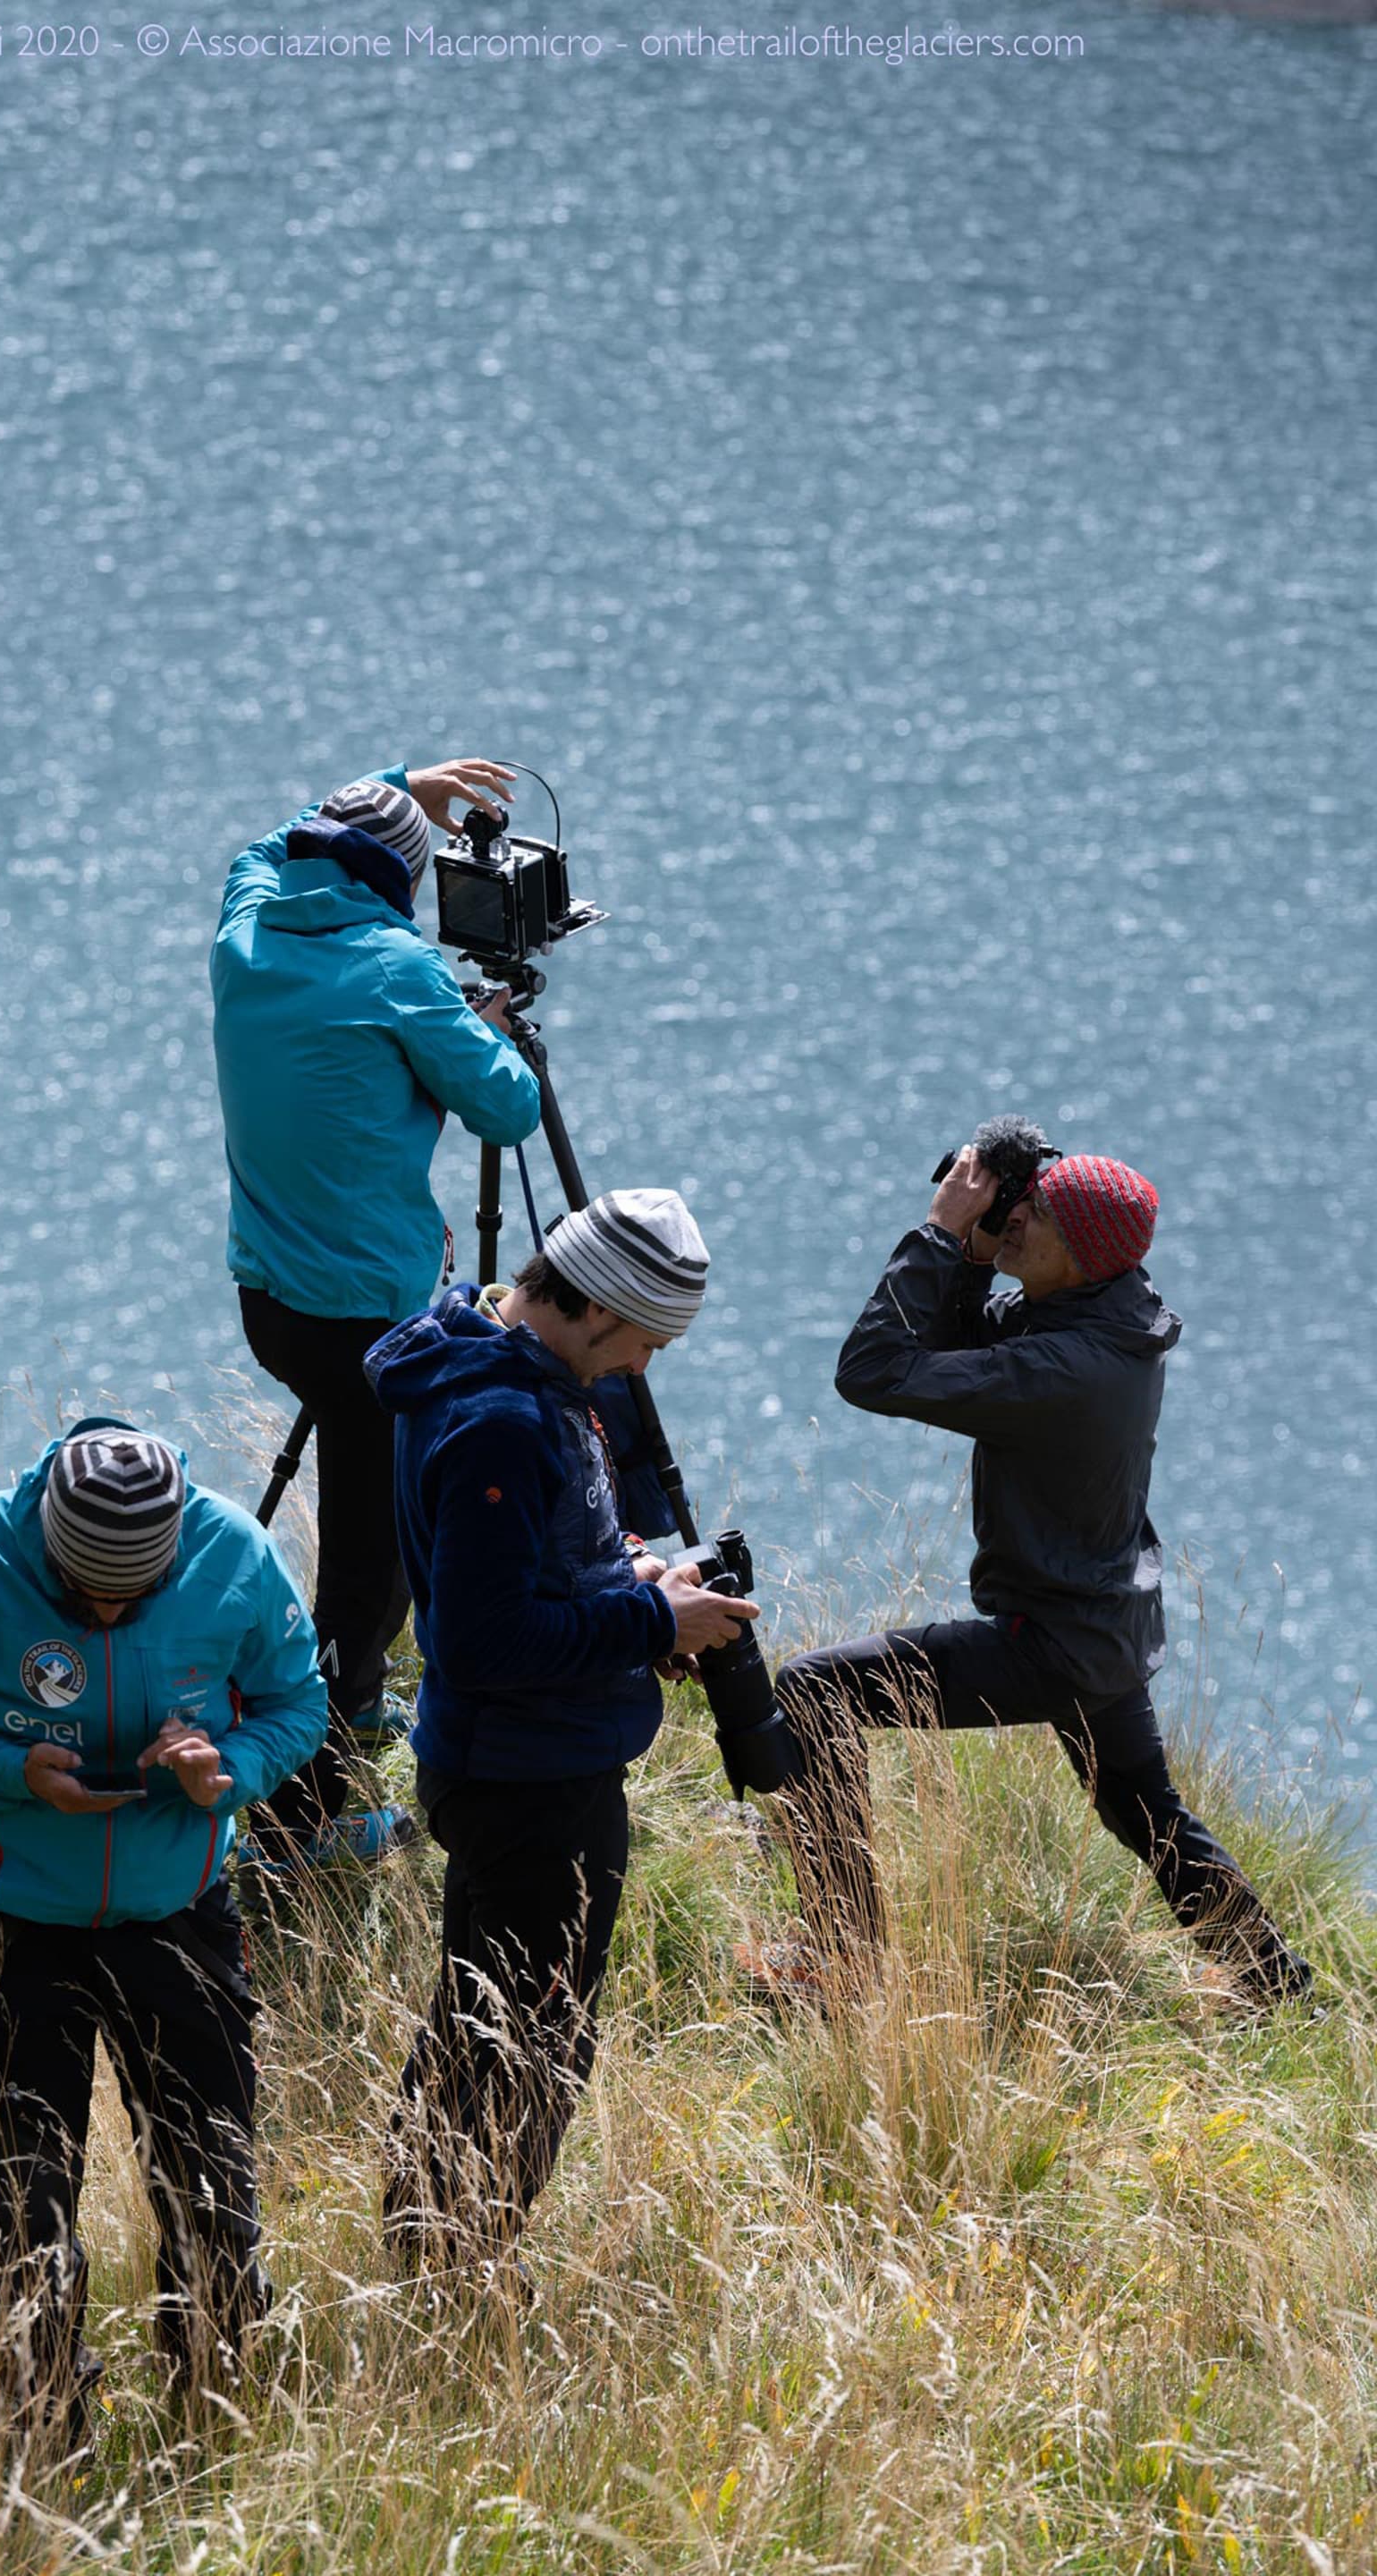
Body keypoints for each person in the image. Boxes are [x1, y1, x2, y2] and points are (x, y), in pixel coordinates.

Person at [0, 1418, 329, 2450]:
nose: (109, 1613)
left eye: (135, 1598)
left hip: (181, 1916)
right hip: (15, 1924)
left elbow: (300, 1703)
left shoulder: (233, 1553)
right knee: (23, 2194)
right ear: (46, 1547)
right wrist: (7, 1774)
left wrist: (225, 1771)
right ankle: (39, 2424)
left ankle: (215, 2417)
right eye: (83, 1596)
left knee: (212, 2179)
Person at [763, 1143, 1314, 2012]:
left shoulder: (1063, 1366)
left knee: (813, 1690)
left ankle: (841, 1962)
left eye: (1037, 1215)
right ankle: (1279, 1986)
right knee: (1144, 1812)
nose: (1017, 1215)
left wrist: (942, 1230)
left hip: (1051, 1643)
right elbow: (954, 1341)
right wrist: (977, 1258)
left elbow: (873, 1371)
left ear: (1080, 1252)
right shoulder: (1105, 1313)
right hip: (1106, 1628)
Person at [366, 1189, 760, 2273]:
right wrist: (649, 1619)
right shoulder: (501, 1419)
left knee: (481, 2022)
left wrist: (633, 1579)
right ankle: (456, 2268)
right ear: (594, 1307)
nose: (643, 1369)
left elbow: (537, 1565)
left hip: (518, 1764)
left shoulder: (496, 1360)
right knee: (524, 2042)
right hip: (528, 1780)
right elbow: (484, 1642)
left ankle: (435, 2249)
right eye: (643, 1342)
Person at [212, 758, 542, 1873]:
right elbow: (508, 1107)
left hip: (274, 1305)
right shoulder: (399, 970)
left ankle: (335, 1715)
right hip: (375, 1329)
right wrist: (477, 1024)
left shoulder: (246, 930)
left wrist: (398, 780)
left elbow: (261, 847)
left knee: (358, 1512)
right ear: (400, 885)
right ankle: (306, 1816)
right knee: (368, 1567)